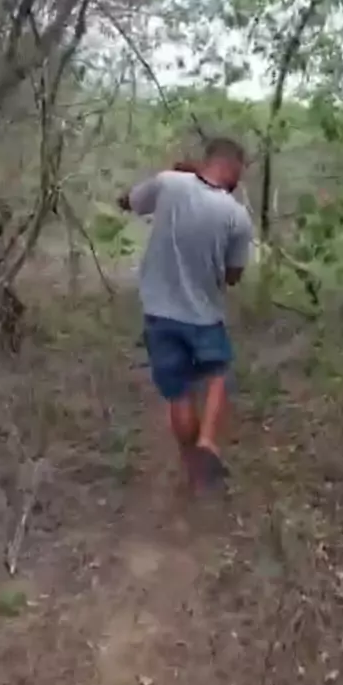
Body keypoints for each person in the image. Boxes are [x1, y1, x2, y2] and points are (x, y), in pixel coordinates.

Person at [118, 137, 252, 493]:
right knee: (218, 374)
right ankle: (207, 442)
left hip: (159, 313)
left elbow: (130, 201)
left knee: (178, 394)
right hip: (204, 315)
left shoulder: (169, 183)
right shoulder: (237, 216)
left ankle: (194, 471)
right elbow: (233, 276)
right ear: (233, 166)